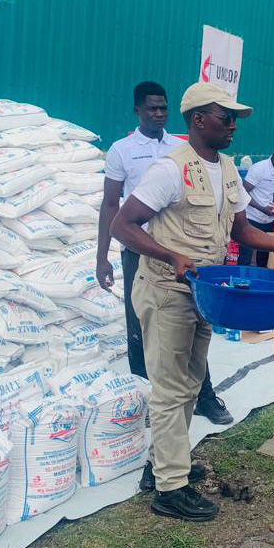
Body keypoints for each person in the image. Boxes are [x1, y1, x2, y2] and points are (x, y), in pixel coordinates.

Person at [110, 83, 274, 522]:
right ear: (199, 119)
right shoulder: (170, 170)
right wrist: (170, 255)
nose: (234, 126)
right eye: (226, 117)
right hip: (167, 291)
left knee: (188, 383)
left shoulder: (225, 169)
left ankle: (163, 465)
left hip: (206, 294)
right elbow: (122, 225)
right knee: (170, 389)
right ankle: (169, 490)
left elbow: (241, 230)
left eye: (236, 119)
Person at [97, 82, 233, 428]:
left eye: (164, 108)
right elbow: (113, 208)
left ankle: (203, 397)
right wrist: (102, 257)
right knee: (142, 331)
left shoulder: (183, 148)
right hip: (141, 250)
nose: (159, 114)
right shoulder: (122, 150)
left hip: (189, 261)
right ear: (137, 111)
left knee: (192, 339)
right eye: (152, 109)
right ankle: (149, 403)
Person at [237, 141, 274, 267]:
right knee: (245, 257)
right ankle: (239, 283)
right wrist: (262, 208)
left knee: (264, 258)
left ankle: (261, 283)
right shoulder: (259, 168)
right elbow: (242, 193)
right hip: (251, 219)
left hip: (267, 220)